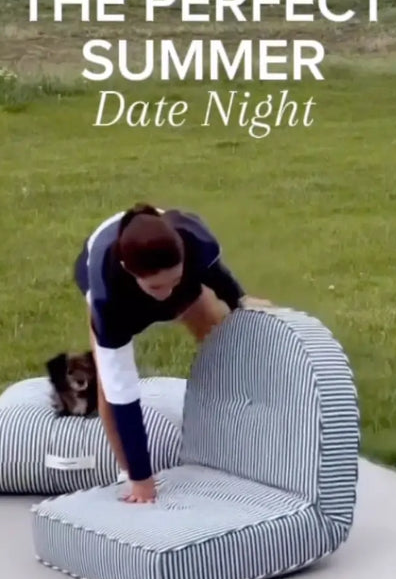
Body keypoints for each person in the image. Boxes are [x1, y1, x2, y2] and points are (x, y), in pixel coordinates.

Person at [73, 203, 267, 504]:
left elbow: (216, 274)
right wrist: (141, 478)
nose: (166, 294)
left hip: (172, 262)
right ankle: (129, 473)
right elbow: (121, 393)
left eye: (174, 283)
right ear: (129, 270)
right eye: (157, 287)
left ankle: (242, 433)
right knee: (109, 385)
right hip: (121, 294)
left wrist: (239, 299)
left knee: (219, 342)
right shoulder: (108, 300)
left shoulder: (194, 241)